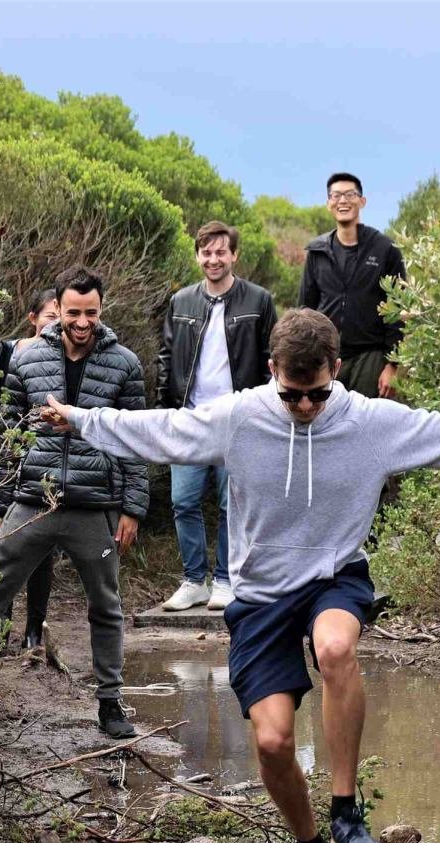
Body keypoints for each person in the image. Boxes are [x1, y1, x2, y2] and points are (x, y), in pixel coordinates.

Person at [35, 309, 440, 843]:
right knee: (275, 743)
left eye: (317, 394)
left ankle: (345, 811)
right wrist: (78, 419)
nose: (304, 406)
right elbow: (162, 429)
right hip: (259, 595)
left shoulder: (373, 424)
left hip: (335, 576)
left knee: (336, 648)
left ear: (336, 370)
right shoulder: (240, 417)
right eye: (291, 394)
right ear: (271, 370)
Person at [0, 266, 147, 739]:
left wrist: (133, 508)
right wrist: (5, 485)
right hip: (34, 498)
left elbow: (135, 440)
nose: (81, 321)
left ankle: (111, 703)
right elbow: (7, 429)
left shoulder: (125, 365)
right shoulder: (27, 358)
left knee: (106, 605)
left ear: (101, 310)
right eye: (73, 312)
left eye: (90, 312)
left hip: (94, 505)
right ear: (58, 310)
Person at [155, 221, 276, 613]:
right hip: (189, 418)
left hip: (238, 420)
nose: (213, 259)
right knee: (183, 501)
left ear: (234, 255)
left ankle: (225, 579)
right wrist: (166, 412)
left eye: (221, 252)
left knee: (232, 504)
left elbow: (273, 362)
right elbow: (165, 358)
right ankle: (194, 580)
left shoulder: (259, 301)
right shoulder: (181, 302)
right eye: (206, 252)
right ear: (197, 255)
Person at [0, 288, 60, 650]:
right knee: (5, 547)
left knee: (43, 548)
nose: (56, 323)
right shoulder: (7, 352)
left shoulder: (66, 358)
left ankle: (34, 632)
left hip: (45, 465)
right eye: (50, 316)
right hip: (6, 462)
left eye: (61, 317)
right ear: (33, 318)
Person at [297, 172, 407, 400]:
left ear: (362, 201)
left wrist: (392, 366)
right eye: (336, 196)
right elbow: (304, 310)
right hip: (325, 358)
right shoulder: (317, 252)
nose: (343, 201)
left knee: (366, 425)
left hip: (370, 358)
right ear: (329, 204)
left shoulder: (385, 249)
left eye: (350, 194)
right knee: (324, 425)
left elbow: (398, 310)